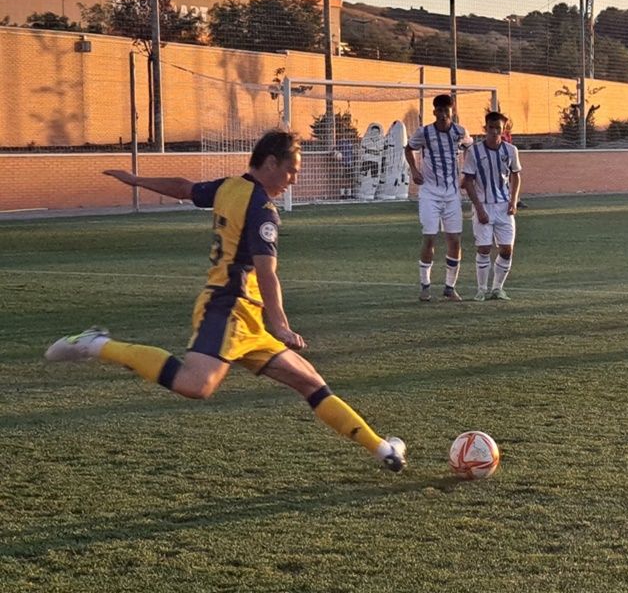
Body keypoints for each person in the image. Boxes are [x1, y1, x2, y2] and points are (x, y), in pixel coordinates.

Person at [43, 130, 408, 473]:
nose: (293, 180)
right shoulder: (262, 208)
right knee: (196, 385)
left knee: (310, 382)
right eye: (290, 171)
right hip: (228, 306)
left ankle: (384, 449)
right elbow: (267, 272)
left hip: (247, 316)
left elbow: (185, 188)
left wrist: (138, 181)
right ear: (269, 163)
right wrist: (280, 323)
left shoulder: (229, 188)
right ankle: (97, 344)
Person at [405, 93, 473, 302]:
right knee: (430, 237)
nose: (443, 114)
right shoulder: (424, 132)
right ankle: (425, 285)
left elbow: (471, 149)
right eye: (440, 111)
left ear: (452, 111)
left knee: (455, 240)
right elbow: (408, 149)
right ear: (434, 112)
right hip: (429, 194)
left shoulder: (460, 132)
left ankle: (449, 287)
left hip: (452, 194)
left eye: (447, 110)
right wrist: (414, 171)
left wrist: (466, 175)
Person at [463, 112, 523, 301]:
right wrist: (479, 208)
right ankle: (482, 289)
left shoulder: (511, 150)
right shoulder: (474, 151)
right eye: (491, 127)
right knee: (484, 249)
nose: (495, 131)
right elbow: (468, 181)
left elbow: (516, 175)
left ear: (503, 129)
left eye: (499, 128)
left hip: (504, 207)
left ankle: (498, 288)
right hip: (484, 205)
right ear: (485, 128)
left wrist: (513, 201)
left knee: (506, 250)